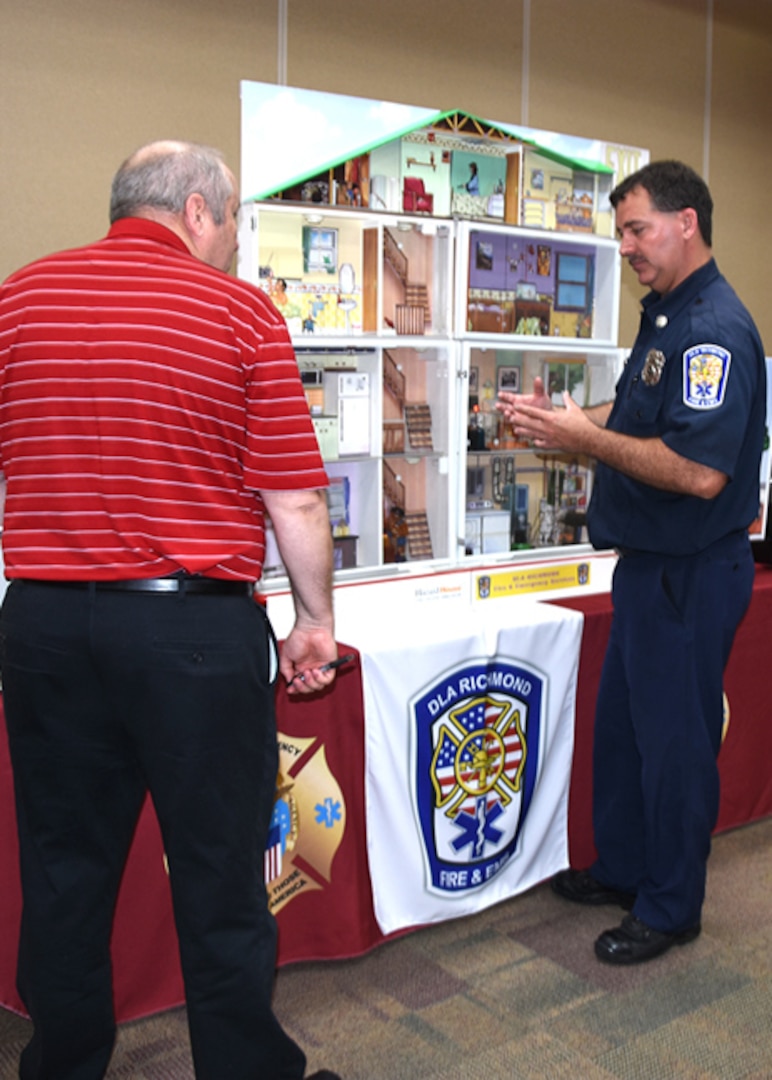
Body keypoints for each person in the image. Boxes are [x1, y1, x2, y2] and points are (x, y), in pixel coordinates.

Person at [0, 141, 341, 1079]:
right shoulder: (238, 312)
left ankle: (60, 1066)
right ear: (198, 210)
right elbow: (297, 500)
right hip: (191, 632)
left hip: (44, 628)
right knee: (219, 873)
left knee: (64, 873)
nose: (228, 243)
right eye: (230, 223)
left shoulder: (19, 298)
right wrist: (316, 621)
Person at [497, 159, 766, 965]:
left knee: (676, 746)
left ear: (687, 223)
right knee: (625, 734)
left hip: (690, 574)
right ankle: (625, 869)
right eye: (620, 233)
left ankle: (671, 905)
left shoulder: (713, 329)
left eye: (637, 229)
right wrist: (565, 421)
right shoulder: (666, 318)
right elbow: (641, 413)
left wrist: (587, 442)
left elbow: (699, 471)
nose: (626, 247)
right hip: (648, 570)